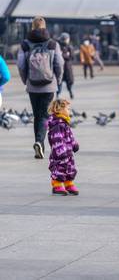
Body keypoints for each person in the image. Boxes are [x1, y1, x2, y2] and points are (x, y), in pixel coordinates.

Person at [17, 16, 64, 159]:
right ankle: (39, 142)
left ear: (32, 27)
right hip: (49, 86)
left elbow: (21, 65)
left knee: (37, 116)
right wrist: (58, 80)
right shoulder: (52, 44)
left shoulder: (25, 45)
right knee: (44, 115)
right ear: (45, 27)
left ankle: (39, 144)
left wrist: (26, 80)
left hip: (33, 86)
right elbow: (59, 64)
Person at [47, 99, 79, 196]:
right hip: (60, 154)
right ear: (59, 110)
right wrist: (61, 151)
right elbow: (57, 139)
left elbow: (70, 136)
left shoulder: (64, 123)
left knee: (70, 168)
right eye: (67, 109)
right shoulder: (57, 125)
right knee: (59, 168)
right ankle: (56, 185)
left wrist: (74, 144)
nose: (69, 111)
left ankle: (68, 183)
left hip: (68, 153)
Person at [57, 33, 75, 99]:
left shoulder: (69, 46)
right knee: (59, 82)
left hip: (67, 67)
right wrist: (66, 55)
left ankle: (70, 92)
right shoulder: (58, 46)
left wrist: (65, 55)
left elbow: (72, 56)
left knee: (69, 82)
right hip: (61, 67)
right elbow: (59, 56)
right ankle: (57, 94)